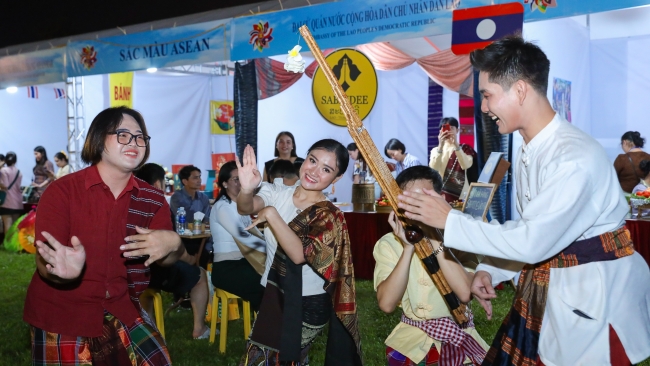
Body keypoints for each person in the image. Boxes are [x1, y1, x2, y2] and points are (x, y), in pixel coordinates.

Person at [396, 35, 650, 365]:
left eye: (487, 95)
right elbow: (534, 229)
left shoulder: (573, 157)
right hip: (552, 289)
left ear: (519, 90)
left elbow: (533, 241)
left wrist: (448, 220)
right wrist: (491, 270)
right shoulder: (533, 148)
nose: (484, 107)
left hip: (592, 301)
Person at [24, 106, 184, 365]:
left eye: (140, 136)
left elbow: (166, 258)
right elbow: (45, 265)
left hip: (121, 306)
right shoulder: (62, 191)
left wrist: (173, 243)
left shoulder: (152, 199)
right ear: (98, 139)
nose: (134, 142)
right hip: (61, 311)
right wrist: (58, 270)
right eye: (123, 134)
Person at [237, 140, 362, 365]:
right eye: (312, 160)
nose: (314, 171)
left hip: (309, 303)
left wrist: (272, 215)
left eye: (326, 169)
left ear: (337, 178)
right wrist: (246, 189)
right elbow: (246, 207)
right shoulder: (277, 192)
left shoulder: (330, 217)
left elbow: (298, 254)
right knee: (271, 357)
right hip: (274, 294)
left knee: (275, 358)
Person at [375, 165, 488, 366]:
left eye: (423, 201)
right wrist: (408, 248)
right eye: (408, 201)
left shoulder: (460, 237)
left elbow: (464, 293)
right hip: (411, 338)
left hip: (458, 333)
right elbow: (386, 304)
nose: (415, 209)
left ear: (439, 200)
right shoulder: (389, 243)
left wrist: (435, 234)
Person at [135, 163, 210, 339]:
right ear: (157, 184)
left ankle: (150, 330)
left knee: (145, 286)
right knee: (199, 274)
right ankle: (199, 329)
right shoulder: (159, 204)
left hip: (134, 270)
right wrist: (189, 259)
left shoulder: (132, 204)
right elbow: (169, 246)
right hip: (156, 268)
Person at [211, 161, 266, 311]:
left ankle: (268, 326)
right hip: (227, 267)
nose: (241, 183)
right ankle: (266, 327)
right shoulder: (223, 206)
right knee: (268, 283)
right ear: (224, 184)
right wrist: (271, 247)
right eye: (236, 179)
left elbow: (254, 233)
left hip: (244, 262)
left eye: (242, 178)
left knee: (274, 280)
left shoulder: (241, 205)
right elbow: (243, 236)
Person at [429, 117, 479, 202]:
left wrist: (456, 145)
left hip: (462, 195)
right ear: (440, 131)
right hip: (442, 194)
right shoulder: (436, 150)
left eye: (451, 128)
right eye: (445, 128)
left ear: (457, 130)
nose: (448, 131)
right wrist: (440, 146)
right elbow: (434, 169)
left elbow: (466, 165)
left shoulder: (465, 149)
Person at [0, 152, 23, 235]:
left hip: (7, 202)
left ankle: (8, 247)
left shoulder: (3, 170)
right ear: (15, 161)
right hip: (17, 202)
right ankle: (14, 247)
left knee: (8, 227)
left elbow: (5, 185)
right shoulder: (19, 172)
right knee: (15, 228)